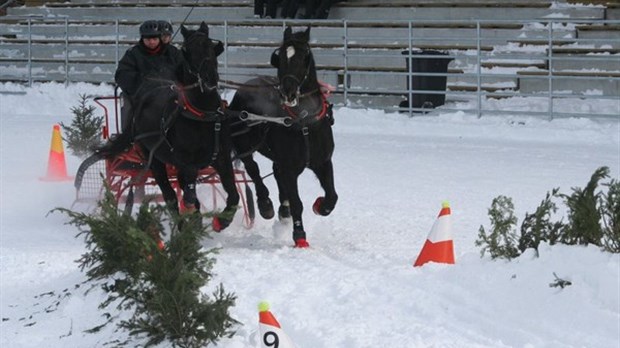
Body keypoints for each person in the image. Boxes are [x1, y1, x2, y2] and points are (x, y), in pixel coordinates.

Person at [115, 20, 184, 134]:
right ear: (142, 39)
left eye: (155, 39)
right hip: (142, 96)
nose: (151, 42)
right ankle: (128, 136)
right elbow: (122, 75)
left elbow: (183, 70)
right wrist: (143, 81)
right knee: (130, 107)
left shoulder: (172, 52)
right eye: (148, 39)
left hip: (170, 94)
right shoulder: (133, 54)